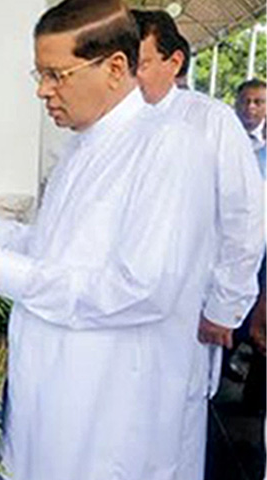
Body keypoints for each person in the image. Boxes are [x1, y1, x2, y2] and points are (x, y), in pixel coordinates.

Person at [0, 1, 221, 478]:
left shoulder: (168, 147)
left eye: (57, 75)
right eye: (39, 75)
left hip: (107, 407)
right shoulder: (84, 144)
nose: (43, 91)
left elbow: (142, 288)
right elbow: (60, 248)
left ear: (115, 67)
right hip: (57, 389)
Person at [132, 9, 265, 462]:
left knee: (174, 430)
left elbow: (246, 217)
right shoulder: (120, 122)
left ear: (174, 62)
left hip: (188, 314)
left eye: (141, 61)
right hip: (129, 312)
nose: (130, 74)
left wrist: (224, 308)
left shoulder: (209, 121)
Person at [235, 78, 266, 152]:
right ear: (236, 103)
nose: (250, 106)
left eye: (258, 102)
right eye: (245, 101)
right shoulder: (222, 131)